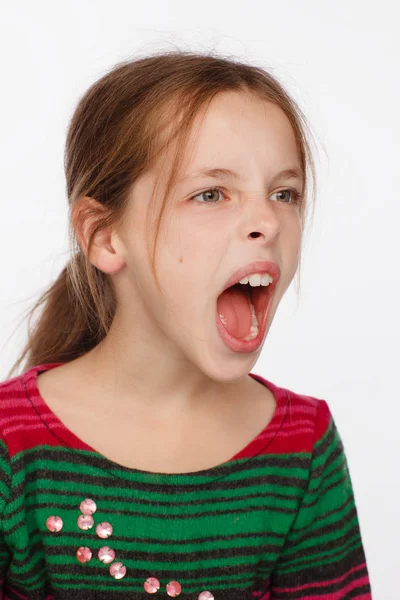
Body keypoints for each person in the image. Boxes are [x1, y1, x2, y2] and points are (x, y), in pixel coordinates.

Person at [0, 50, 372, 599]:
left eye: (284, 193)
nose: (267, 221)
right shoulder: (13, 446)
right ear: (105, 236)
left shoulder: (303, 448)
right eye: (211, 194)